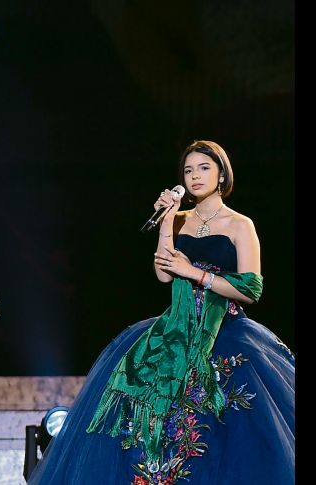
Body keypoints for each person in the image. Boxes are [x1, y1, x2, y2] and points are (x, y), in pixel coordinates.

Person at [28, 140, 294, 484]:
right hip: (172, 330)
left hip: (225, 330)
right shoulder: (179, 219)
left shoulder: (239, 224)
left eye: (203, 168)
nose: (195, 176)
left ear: (221, 173)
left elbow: (250, 289)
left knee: (224, 427)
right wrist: (168, 221)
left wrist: (196, 273)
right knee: (138, 421)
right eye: (188, 170)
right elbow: (164, 273)